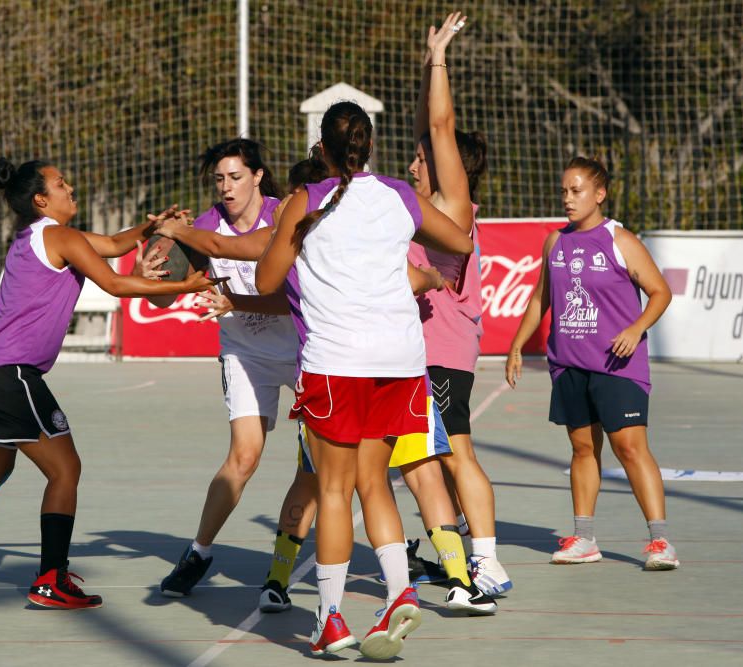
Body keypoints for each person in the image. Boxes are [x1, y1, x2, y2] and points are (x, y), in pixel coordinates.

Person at [175, 155, 496, 616]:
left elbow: (249, 266)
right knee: (411, 474)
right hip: (396, 366)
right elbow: (423, 268)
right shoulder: (377, 220)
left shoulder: (294, 229)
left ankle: (305, 597)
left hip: (331, 371)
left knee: (323, 484)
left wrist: (175, 235)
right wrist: (430, 277)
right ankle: (446, 585)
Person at [0, 158, 220, 609]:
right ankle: (50, 579)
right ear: (41, 199)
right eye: (61, 183)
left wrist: (154, 226)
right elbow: (114, 282)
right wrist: (188, 283)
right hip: (9, 372)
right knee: (65, 469)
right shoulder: (58, 235)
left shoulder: (38, 235)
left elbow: (115, 243)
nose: (70, 187)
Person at [255, 101, 475, 659]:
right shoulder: (400, 194)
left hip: (337, 362)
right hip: (400, 362)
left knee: (333, 490)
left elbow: (266, 280)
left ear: (322, 148)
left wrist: (297, 238)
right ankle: (400, 588)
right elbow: (461, 240)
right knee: (376, 482)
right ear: (370, 147)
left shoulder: (307, 201)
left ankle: (330, 620)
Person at [505, 156, 679, 570]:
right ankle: (584, 538)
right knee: (583, 449)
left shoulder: (621, 240)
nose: (568, 198)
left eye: (576, 190)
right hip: (569, 364)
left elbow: (660, 292)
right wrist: (516, 345)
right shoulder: (556, 242)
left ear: (599, 195)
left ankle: (660, 542)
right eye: (564, 190)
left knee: (630, 448)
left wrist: (635, 329)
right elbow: (538, 299)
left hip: (618, 364)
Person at [151, 139, 303, 598]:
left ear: (258, 176)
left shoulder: (284, 216)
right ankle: (198, 551)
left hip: (303, 349)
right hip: (244, 352)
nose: (226, 187)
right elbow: (160, 297)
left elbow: (292, 300)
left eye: (235, 177)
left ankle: (283, 568)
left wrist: (233, 300)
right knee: (244, 457)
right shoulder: (204, 226)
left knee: (323, 462)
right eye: (219, 179)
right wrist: (153, 268)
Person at [406, 12, 512, 596]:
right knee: (420, 463)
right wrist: (428, 63)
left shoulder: (454, 205)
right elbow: (429, 126)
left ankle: (488, 562)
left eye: (423, 158)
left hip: (444, 356)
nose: (413, 161)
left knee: (455, 455)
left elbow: (440, 128)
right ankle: (451, 558)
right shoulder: (426, 207)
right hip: (417, 353)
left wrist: (442, 57)